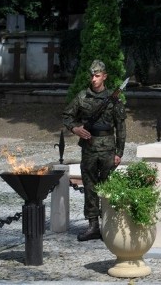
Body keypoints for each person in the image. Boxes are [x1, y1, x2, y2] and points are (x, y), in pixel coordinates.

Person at [62, 59, 126, 241]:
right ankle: (93, 226)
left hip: (108, 149)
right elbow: (67, 116)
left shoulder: (114, 100)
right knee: (90, 187)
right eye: (92, 75)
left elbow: (121, 128)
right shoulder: (82, 97)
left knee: (108, 187)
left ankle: (108, 224)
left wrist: (119, 153)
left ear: (104, 76)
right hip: (89, 148)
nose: (94, 79)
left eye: (97, 76)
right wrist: (75, 129)